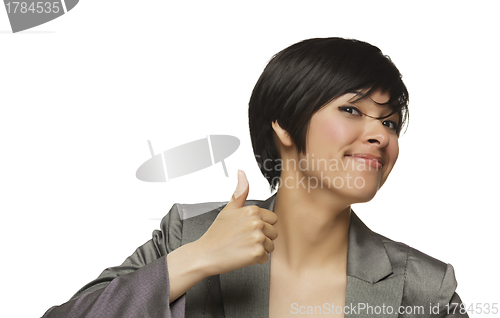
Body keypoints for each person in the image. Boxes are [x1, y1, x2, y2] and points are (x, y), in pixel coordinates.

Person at [42, 38, 468, 317]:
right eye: (353, 110)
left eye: (390, 123)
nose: (380, 135)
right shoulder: (187, 235)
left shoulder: (423, 287)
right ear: (284, 124)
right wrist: (197, 259)